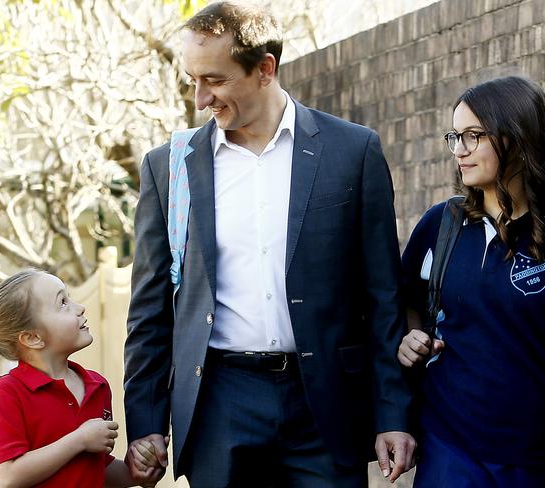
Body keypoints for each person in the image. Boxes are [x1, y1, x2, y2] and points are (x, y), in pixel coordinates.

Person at [123, 2, 415, 486]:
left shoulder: (352, 151)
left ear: (264, 69)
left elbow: (383, 296)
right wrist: (147, 424)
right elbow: (150, 309)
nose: (200, 99)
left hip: (326, 403)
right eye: (193, 80)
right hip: (220, 400)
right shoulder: (169, 167)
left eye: (213, 80)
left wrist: (392, 412)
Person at [397, 76, 545, 487]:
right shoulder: (441, 224)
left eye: (474, 136)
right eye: (455, 136)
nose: (459, 150)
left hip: (540, 458)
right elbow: (402, 303)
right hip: (448, 453)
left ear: (517, 138)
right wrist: (410, 335)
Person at [0, 269, 157, 487]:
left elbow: (95, 470)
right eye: (63, 302)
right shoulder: (7, 393)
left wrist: (137, 472)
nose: (80, 308)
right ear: (33, 338)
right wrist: (80, 440)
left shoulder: (97, 386)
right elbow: (9, 477)